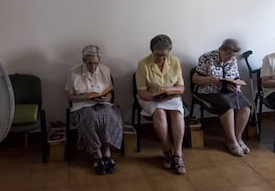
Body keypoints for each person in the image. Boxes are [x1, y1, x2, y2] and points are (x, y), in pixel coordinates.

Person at [65, 45, 123, 175]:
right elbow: (69, 96)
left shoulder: (105, 70)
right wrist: (84, 96)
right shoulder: (73, 72)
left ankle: (107, 152)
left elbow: (110, 94)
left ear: (99, 61)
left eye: (96, 63)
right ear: (84, 61)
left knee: (109, 116)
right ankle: (97, 154)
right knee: (90, 119)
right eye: (89, 63)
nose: (93, 67)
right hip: (82, 106)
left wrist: (105, 98)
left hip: (102, 104)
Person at [135, 34, 186, 175]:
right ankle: (166, 150)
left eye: (165, 55)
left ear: (169, 52)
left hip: (171, 96)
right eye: (158, 55)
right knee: (159, 114)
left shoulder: (175, 61)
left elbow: (181, 88)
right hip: (150, 98)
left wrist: (169, 90)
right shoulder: (143, 64)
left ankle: (178, 153)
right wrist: (154, 97)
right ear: (152, 51)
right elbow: (141, 92)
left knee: (177, 114)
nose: (161, 59)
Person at [192, 38, 252, 156]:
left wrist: (234, 86)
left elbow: (235, 78)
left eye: (233, 55)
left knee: (246, 106)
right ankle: (231, 141)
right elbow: (195, 79)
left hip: (228, 91)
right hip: (208, 91)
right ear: (220, 49)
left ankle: (238, 138)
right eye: (228, 54)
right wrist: (210, 79)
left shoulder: (233, 60)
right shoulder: (206, 58)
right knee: (227, 106)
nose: (230, 58)